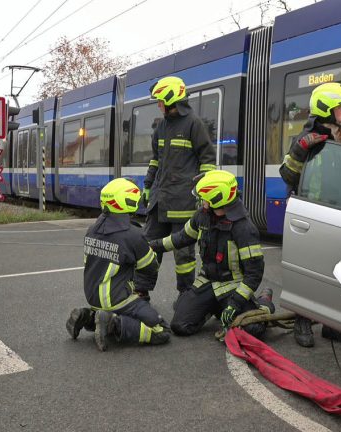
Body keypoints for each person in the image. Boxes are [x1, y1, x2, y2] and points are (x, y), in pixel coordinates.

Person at [279, 82, 341, 347]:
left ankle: (333, 326)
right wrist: (301, 149)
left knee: (337, 272)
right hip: (313, 213)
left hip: (340, 212)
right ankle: (302, 321)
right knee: (308, 271)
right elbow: (287, 175)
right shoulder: (307, 139)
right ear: (327, 109)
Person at [149, 170, 275, 338]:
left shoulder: (244, 229)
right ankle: (216, 307)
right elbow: (181, 238)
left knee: (254, 330)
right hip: (208, 282)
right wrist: (151, 246)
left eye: (204, 198)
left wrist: (235, 304)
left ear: (217, 199)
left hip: (233, 287)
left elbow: (254, 273)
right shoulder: (202, 216)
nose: (201, 201)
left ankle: (264, 302)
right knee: (180, 325)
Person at [66, 178, 171, 351]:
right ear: (127, 202)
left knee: (111, 309)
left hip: (93, 297)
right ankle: (113, 324)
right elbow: (151, 267)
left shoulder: (91, 229)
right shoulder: (133, 235)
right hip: (117, 299)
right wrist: (145, 249)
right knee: (161, 330)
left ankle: (87, 316)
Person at [142, 76, 216, 301]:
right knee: (147, 250)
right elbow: (156, 159)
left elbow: (208, 160)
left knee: (184, 255)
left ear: (171, 99)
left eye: (160, 100)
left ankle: (185, 295)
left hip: (183, 203)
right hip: (159, 201)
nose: (158, 104)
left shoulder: (194, 124)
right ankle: (140, 292)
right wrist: (147, 185)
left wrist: (205, 194)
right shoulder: (161, 126)